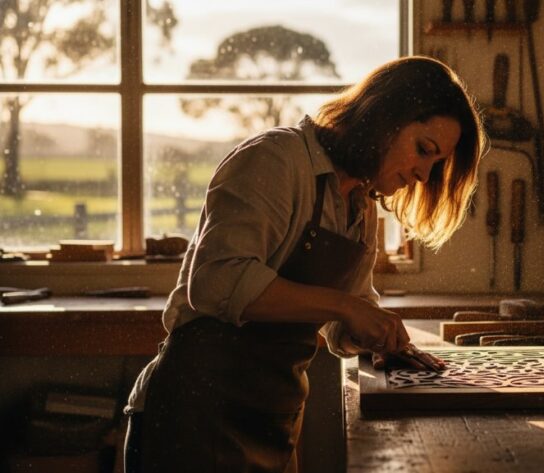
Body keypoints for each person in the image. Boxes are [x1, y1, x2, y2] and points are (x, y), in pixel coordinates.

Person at [123, 56, 487, 473]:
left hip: (271, 418)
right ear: (385, 117)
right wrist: (346, 308)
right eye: (423, 151)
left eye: (435, 163)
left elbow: (343, 320)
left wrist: (380, 339)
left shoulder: (359, 202)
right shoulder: (275, 160)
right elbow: (216, 283)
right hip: (195, 417)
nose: (424, 174)